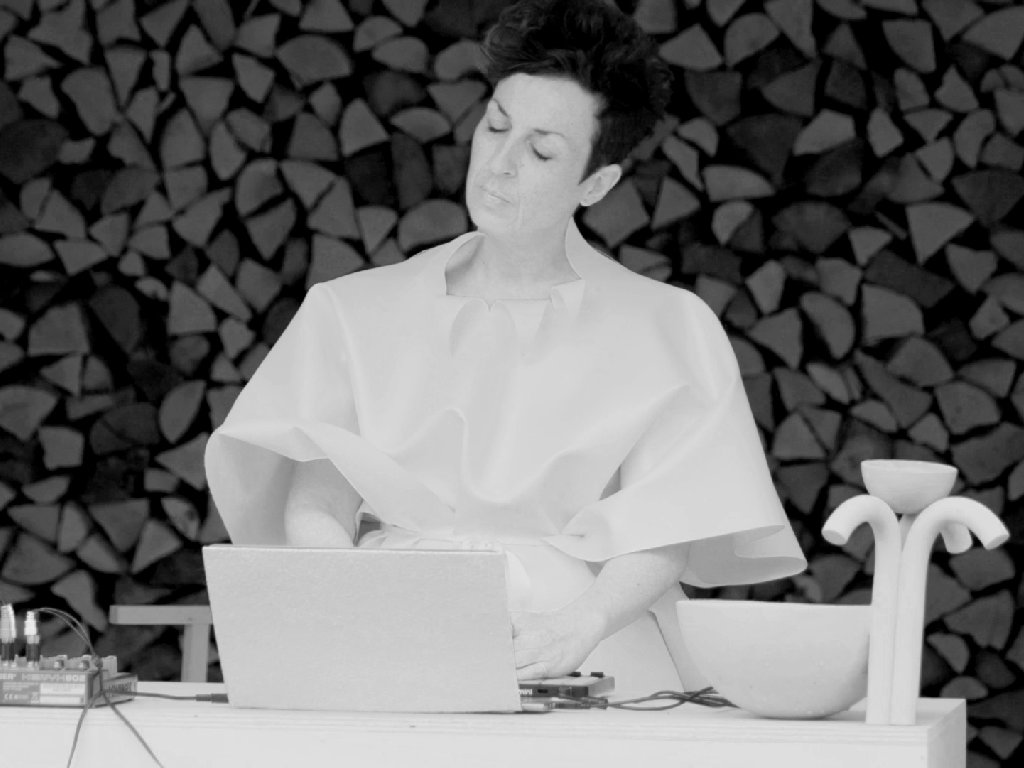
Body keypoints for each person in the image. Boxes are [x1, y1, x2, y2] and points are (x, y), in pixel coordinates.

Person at [205, 0, 806, 695]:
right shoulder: (351, 309)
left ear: (596, 183)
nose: (500, 163)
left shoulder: (666, 325)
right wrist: (358, 605)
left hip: (591, 649)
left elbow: (668, 522)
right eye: (495, 125)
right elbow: (319, 498)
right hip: (386, 631)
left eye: (541, 150)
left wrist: (583, 623)